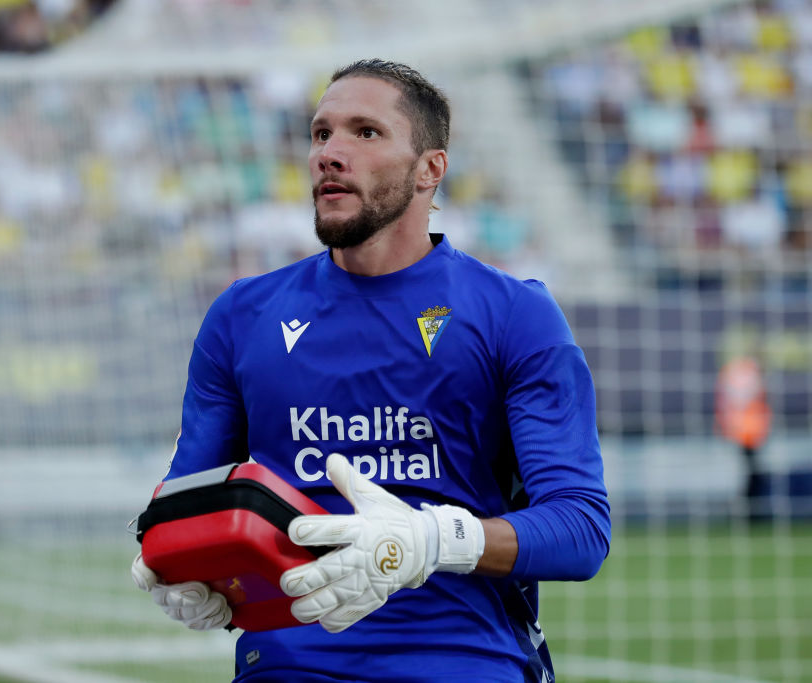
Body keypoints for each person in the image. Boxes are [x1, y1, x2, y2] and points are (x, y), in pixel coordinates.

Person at [132, 58, 611, 682]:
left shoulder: (515, 315)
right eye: (320, 133)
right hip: (283, 668)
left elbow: (579, 528)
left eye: (365, 132)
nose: (330, 153)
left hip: (463, 663)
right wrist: (168, 556)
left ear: (430, 169)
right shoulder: (241, 315)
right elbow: (185, 496)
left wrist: (430, 540)